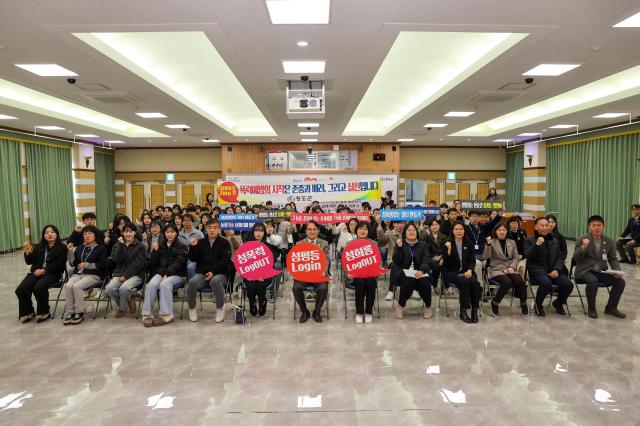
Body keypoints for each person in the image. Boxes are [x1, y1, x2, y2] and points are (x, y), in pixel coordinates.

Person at [573, 215, 626, 319]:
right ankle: (592, 308)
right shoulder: (582, 239)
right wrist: (583, 247)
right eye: (593, 225)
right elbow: (576, 259)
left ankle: (611, 308)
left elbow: (612, 259)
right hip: (585, 271)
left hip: (601, 271)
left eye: (599, 225)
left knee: (620, 282)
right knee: (593, 281)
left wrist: (617, 271)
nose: (596, 228)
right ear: (589, 227)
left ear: (603, 226)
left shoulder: (609, 240)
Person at [523, 217, 574, 317]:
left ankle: (558, 303)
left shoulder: (554, 240)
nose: (545, 227)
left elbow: (560, 257)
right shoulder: (529, 240)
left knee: (568, 284)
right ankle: (538, 305)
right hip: (537, 271)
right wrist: (536, 245)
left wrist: (557, 269)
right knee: (546, 283)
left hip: (553, 270)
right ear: (536, 227)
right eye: (542, 225)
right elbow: (528, 256)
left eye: (546, 225)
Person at [16, 225, 67, 323]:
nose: (49, 234)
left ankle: (44, 312)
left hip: (52, 274)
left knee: (39, 287)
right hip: (35, 273)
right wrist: (27, 251)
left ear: (57, 233)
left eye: (52, 232)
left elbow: (60, 264)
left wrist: (44, 270)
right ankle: (29, 312)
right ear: (43, 235)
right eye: (47, 233)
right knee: (21, 289)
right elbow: (29, 261)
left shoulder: (62, 247)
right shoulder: (39, 246)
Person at [140, 223, 188, 327]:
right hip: (161, 273)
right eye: (167, 232)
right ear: (164, 233)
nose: (169, 234)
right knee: (151, 284)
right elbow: (153, 264)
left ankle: (166, 315)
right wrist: (155, 252)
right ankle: (147, 313)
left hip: (178, 275)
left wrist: (167, 274)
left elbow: (179, 263)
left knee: (164, 284)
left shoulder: (182, 246)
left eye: (172, 232)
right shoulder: (160, 245)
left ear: (176, 233)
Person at [186, 220, 231, 323]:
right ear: (206, 229)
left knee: (215, 281)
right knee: (192, 282)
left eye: (215, 227)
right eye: (210, 227)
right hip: (203, 273)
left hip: (220, 273)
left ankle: (220, 308)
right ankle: (192, 308)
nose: (212, 230)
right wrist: (192, 247)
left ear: (219, 229)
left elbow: (225, 260)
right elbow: (193, 259)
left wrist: (214, 272)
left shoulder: (224, 242)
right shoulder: (200, 242)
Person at [63, 225, 108, 325]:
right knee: (68, 285)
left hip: (94, 275)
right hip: (78, 274)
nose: (87, 236)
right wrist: (70, 252)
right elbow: (72, 263)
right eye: (85, 234)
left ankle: (79, 312)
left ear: (95, 235)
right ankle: (70, 312)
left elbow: (102, 265)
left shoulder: (101, 248)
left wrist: (87, 265)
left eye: (90, 233)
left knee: (77, 286)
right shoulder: (79, 248)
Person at [484, 223, 528, 316]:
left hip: (510, 268)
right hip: (497, 269)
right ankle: (495, 302)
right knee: (507, 282)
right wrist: (488, 244)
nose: (501, 232)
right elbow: (487, 256)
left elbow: (516, 257)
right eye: (499, 230)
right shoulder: (491, 242)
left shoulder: (511, 242)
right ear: (495, 231)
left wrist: (512, 267)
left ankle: (523, 303)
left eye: (504, 230)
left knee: (520, 282)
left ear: (506, 231)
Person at [442, 223, 482, 323]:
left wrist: (469, 270)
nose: (459, 231)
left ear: (464, 231)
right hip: (451, 272)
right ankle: (463, 311)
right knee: (465, 282)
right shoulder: (446, 243)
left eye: (461, 229)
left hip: (466, 271)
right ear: (452, 231)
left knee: (475, 283)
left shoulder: (469, 243)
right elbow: (446, 263)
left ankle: (474, 310)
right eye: (456, 229)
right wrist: (449, 249)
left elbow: (472, 261)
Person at [291, 220, 330, 323]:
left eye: (314, 229)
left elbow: (326, 260)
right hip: (303, 274)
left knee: (323, 288)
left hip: (318, 274)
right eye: (309, 229)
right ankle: (304, 311)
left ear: (318, 230)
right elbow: (295, 260)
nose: (312, 232)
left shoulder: (324, 243)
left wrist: (324, 271)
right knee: (296, 288)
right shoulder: (299, 243)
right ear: (306, 231)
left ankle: (317, 312)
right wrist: (295, 273)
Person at [392, 223, 433, 320]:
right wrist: (399, 248)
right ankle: (401, 306)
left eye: (414, 230)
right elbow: (396, 261)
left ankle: (428, 306)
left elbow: (426, 260)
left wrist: (422, 271)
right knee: (409, 279)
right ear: (404, 232)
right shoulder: (400, 243)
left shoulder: (423, 245)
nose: (411, 232)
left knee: (424, 280)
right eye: (409, 230)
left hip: (420, 272)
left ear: (417, 232)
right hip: (404, 272)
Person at [105, 223, 146, 318]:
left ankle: (122, 309)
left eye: (130, 231)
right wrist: (120, 245)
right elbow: (115, 259)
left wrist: (126, 275)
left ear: (135, 233)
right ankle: (128, 299)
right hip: (119, 273)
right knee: (109, 289)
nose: (128, 234)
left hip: (136, 274)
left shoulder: (140, 246)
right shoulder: (117, 244)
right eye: (125, 231)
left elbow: (138, 264)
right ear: (122, 233)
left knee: (124, 288)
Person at [345, 221, 379, 324]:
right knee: (359, 282)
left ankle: (368, 312)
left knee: (369, 282)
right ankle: (359, 312)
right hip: (356, 275)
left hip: (370, 274)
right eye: (360, 229)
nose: (362, 231)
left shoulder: (374, 244)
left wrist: (377, 271)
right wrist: (348, 273)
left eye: (365, 229)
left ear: (368, 231)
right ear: (356, 230)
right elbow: (345, 262)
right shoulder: (349, 244)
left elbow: (378, 261)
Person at [243, 223, 280, 317]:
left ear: (264, 233)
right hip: (250, 273)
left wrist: (263, 274)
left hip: (265, 274)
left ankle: (262, 302)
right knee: (250, 285)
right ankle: (252, 303)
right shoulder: (247, 245)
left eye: (261, 231)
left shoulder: (268, 246)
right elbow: (243, 263)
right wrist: (248, 275)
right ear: (253, 232)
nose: (258, 233)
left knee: (260, 284)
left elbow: (272, 262)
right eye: (256, 231)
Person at [377, 221, 404, 301]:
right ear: (394, 224)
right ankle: (391, 291)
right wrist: (379, 226)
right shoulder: (389, 233)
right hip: (392, 259)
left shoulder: (407, 232)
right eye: (398, 223)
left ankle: (414, 288)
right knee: (394, 267)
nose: (400, 225)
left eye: (401, 223)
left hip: (406, 260)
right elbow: (381, 242)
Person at [421, 218, 447, 290]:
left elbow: (446, 249)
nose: (435, 226)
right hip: (429, 257)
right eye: (432, 225)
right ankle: (433, 285)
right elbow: (424, 249)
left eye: (436, 224)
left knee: (444, 265)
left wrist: (441, 257)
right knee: (435, 266)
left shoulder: (444, 236)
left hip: (442, 257)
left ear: (439, 226)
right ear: (429, 227)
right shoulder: (425, 236)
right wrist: (433, 257)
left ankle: (439, 286)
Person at [179, 214, 204, 280]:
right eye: (185, 221)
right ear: (182, 222)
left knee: (190, 267)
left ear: (192, 222)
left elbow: (203, 248)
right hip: (182, 257)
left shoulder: (199, 233)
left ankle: (192, 284)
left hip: (195, 257)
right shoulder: (178, 234)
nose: (187, 222)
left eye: (189, 221)